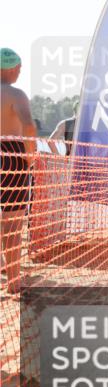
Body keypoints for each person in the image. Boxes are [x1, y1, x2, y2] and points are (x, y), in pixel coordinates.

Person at [0, 48, 36, 294]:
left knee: (4, 223)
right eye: (19, 67)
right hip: (12, 155)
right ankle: (14, 283)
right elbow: (29, 126)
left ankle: (7, 272)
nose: (20, 71)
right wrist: (29, 155)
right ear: (9, 67)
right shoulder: (15, 94)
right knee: (13, 224)